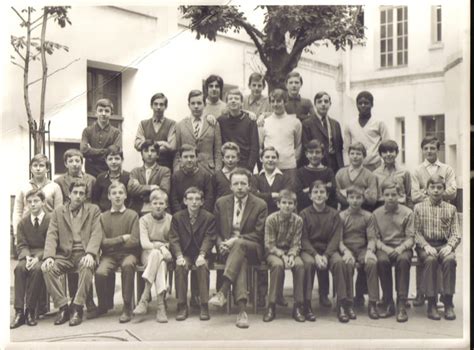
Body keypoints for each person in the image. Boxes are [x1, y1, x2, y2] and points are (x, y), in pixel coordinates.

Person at [208, 168, 268, 329]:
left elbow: (259, 234)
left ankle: (223, 290)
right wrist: (221, 244)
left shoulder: (260, 204)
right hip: (228, 250)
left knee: (239, 245)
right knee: (240, 262)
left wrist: (235, 240)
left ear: (249, 185)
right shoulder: (221, 203)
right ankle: (242, 311)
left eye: (243, 183)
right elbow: (216, 231)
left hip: (252, 248)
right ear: (231, 186)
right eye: (236, 183)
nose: (240, 187)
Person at [41, 180, 102, 327]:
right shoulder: (58, 212)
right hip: (65, 255)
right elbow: (52, 234)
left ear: (85, 196)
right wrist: (49, 256)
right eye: (75, 193)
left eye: (82, 193)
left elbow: (96, 233)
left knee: (87, 266)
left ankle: (77, 307)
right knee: (47, 268)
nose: (78, 196)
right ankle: (63, 307)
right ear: (69, 194)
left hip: (84, 252)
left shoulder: (93, 210)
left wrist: (91, 253)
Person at [411, 136, 457, 307]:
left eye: (432, 148)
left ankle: (444, 297)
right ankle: (421, 294)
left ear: (438, 149)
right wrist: (431, 195)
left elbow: (453, 192)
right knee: (427, 258)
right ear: (422, 150)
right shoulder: (416, 171)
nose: (429, 151)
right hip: (424, 216)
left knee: (445, 258)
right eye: (426, 148)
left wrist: (434, 192)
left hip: (442, 216)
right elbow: (414, 195)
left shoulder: (447, 169)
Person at [90, 182, 140, 323]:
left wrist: (112, 244)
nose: (117, 196)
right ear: (109, 196)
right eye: (114, 193)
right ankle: (103, 305)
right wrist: (121, 238)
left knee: (128, 266)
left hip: (128, 255)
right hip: (109, 256)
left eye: (120, 193)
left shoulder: (133, 215)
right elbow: (102, 242)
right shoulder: (103, 217)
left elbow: (135, 241)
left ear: (125, 196)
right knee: (100, 272)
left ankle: (127, 306)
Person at [414, 174, 460, 321]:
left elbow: (456, 233)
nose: (435, 191)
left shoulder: (451, 209)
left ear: (444, 190)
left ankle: (448, 301)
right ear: (427, 189)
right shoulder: (419, 208)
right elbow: (415, 232)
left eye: (439, 187)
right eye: (432, 187)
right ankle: (431, 303)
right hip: (426, 245)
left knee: (450, 260)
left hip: (444, 244)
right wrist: (425, 245)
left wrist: (450, 246)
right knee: (430, 260)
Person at [251, 146, 292, 308]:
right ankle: (262, 294)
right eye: (267, 157)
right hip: (259, 222)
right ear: (261, 159)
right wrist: (273, 196)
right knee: (262, 258)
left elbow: (286, 196)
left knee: (278, 259)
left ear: (277, 159)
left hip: (279, 223)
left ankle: (278, 294)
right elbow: (252, 194)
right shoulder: (255, 177)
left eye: (273, 157)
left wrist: (265, 196)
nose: (270, 160)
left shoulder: (284, 178)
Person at [300, 181, 346, 322]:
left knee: (338, 262)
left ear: (327, 196)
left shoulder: (334, 214)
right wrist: (315, 255)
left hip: (328, 250)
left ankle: (341, 304)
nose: (318, 195)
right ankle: (306, 305)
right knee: (308, 264)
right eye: (315, 192)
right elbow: (303, 239)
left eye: (322, 192)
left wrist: (325, 255)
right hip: (310, 250)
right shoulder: (304, 214)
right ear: (310, 196)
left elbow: (335, 237)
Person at [169, 187, 216, 321]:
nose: (194, 202)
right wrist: (178, 256)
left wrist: (202, 254)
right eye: (190, 199)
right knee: (181, 267)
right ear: (185, 201)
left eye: (197, 199)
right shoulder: (177, 217)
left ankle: (204, 305)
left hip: (201, 252)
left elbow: (209, 238)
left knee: (202, 267)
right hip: (184, 253)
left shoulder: (208, 217)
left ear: (202, 202)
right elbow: (174, 238)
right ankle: (182, 305)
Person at [373, 179, 415, 322]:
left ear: (400, 195)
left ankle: (401, 303)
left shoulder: (408, 212)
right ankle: (388, 301)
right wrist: (385, 248)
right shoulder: (376, 214)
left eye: (393, 195)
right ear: (382, 195)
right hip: (384, 247)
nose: (390, 198)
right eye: (387, 195)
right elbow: (375, 238)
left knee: (403, 260)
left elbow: (411, 238)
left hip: (402, 247)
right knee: (382, 261)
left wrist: (400, 248)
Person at [263, 189, 305, 322]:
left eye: (290, 203)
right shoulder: (271, 219)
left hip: (290, 251)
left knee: (299, 265)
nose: (287, 206)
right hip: (274, 251)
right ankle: (271, 306)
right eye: (284, 202)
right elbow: (269, 244)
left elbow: (296, 243)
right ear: (278, 204)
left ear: (295, 205)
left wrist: (292, 256)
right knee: (277, 265)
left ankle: (298, 306)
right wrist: (282, 256)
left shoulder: (298, 220)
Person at [339, 185, 380, 320]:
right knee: (347, 264)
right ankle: (348, 303)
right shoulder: (341, 216)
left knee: (372, 263)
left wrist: (369, 251)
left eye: (358, 198)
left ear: (363, 199)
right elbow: (338, 240)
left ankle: (373, 303)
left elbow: (372, 238)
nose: (355, 201)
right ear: (347, 199)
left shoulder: (368, 216)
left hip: (363, 249)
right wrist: (345, 251)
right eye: (352, 198)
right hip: (347, 249)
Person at [11, 189, 49, 329]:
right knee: (19, 268)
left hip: (45, 254)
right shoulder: (23, 222)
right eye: (30, 202)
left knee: (38, 269)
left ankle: (31, 310)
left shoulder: (50, 220)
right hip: (28, 254)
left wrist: (38, 257)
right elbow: (21, 244)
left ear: (43, 202)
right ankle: (19, 311)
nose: (33, 204)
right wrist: (27, 257)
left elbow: (52, 243)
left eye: (36, 201)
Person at [133, 189, 172, 323]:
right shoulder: (144, 220)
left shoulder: (170, 219)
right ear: (150, 204)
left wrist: (162, 247)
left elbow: (173, 241)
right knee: (158, 259)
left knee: (159, 257)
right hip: (148, 255)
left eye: (161, 203)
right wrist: (161, 246)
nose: (158, 206)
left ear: (166, 205)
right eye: (155, 203)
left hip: (166, 254)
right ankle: (161, 306)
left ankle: (144, 299)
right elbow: (144, 243)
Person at [13, 154, 62, 241]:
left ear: (47, 169)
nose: (38, 168)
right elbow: (18, 211)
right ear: (31, 168)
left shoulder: (55, 187)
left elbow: (58, 211)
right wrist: (16, 234)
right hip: (27, 229)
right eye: (35, 165)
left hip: (48, 229)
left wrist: (57, 232)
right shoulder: (23, 186)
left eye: (41, 165)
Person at [174, 90, 222, 174]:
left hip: (208, 171)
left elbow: (218, 152)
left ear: (204, 104)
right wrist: (177, 171)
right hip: (186, 171)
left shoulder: (213, 124)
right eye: (193, 103)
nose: (196, 106)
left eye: (199, 103)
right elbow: (177, 153)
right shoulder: (180, 125)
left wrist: (217, 173)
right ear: (189, 105)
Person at [260, 88, 302, 183]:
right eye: (273, 101)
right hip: (269, 168)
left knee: (289, 195)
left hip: (289, 167)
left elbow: (298, 144)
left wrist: (293, 160)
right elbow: (260, 146)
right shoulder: (264, 122)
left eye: (279, 101)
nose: (275, 104)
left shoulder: (295, 122)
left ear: (285, 102)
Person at [343, 91, 389, 171]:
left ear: (372, 105)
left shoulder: (379, 123)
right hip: (356, 166)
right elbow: (346, 148)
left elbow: (386, 145)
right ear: (357, 105)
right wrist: (347, 166)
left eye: (366, 103)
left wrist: (384, 166)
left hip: (375, 166)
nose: (363, 105)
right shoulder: (350, 124)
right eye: (360, 103)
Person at [302, 91, 344, 173]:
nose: (323, 104)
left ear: (330, 104)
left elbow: (339, 147)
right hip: (316, 164)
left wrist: (341, 166)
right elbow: (306, 146)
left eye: (326, 101)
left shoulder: (335, 124)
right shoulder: (307, 123)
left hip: (334, 165)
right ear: (315, 105)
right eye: (319, 101)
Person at [218, 89, 259, 171]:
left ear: (242, 103)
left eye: (236, 99)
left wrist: (250, 167)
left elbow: (255, 147)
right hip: (226, 165)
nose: (233, 101)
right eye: (230, 99)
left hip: (244, 165)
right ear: (227, 103)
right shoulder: (221, 120)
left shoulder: (250, 121)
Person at [80, 98, 122, 177]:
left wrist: (91, 152)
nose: (103, 113)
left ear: (111, 113)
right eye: (100, 110)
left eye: (106, 111)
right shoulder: (87, 131)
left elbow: (114, 152)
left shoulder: (116, 132)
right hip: (90, 172)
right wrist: (106, 151)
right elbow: (84, 150)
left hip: (108, 172)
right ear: (96, 113)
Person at [128, 140, 171, 216]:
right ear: (142, 154)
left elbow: (164, 191)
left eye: (153, 151)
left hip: (158, 210)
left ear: (157, 155)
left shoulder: (164, 171)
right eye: (146, 151)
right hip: (138, 210)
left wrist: (140, 190)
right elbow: (131, 189)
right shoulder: (135, 171)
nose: (149, 154)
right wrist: (152, 187)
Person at [134, 93, 176, 170]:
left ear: (165, 106)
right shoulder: (143, 124)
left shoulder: (171, 124)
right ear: (151, 106)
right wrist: (163, 143)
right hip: (147, 168)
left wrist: (146, 147)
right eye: (155, 104)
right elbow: (137, 144)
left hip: (166, 168)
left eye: (161, 104)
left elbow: (172, 146)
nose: (158, 107)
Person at [170, 144, 214, 213]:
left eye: (192, 157)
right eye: (185, 157)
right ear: (180, 159)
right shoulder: (176, 176)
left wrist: (202, 215)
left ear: (197, 158)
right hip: (181, 216)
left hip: (201, 215)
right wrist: (180, 215)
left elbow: (209, 198)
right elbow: (174, 199)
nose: (189, 160)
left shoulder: (205, 175)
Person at [296, 139, 337, 211]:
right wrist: (324, 187)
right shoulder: (300, 172)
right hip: (306, 211)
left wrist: (308, 189)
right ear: (306, 154)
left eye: (317, 152)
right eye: (311, 152)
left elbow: (332, 192)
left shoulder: (328, 171)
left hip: (326, 211)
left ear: (322, 154)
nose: (314, 155)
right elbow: (299, 195)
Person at [335, 142, 378, 211]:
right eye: (352, 153)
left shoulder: (370, 175)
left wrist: (346, 193)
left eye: (358, 154)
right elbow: (336, 195)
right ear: (348, 155)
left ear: (364, 156)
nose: (355, 156)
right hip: (345, 211)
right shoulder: (340, 173)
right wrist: (363, 193)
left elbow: (372, 199)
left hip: (364, 211)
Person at [373, 140, 412, 209]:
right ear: (380, 154)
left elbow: (409, 194)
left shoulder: (404, 172)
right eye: (385, 152)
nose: (388, 154)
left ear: (396, 153)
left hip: (401, 206)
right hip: (381, 206)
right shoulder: (375, 174)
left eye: (391, 151)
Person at [92, 145, 130, 212]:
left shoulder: (128, 177)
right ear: (106, 161)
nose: (113, 162)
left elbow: (131, 199)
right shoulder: (101, 178)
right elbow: (95, 200)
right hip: (104, 215)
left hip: (124, 214)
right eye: (110, 159)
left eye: (117, 158)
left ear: (122, 160)